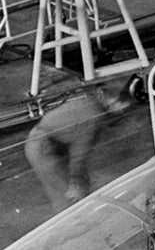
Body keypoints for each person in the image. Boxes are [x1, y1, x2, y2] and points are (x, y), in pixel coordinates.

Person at [23, 80, 128, 212]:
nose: (122, 111)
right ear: (111, 102)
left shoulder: (91, 102)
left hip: (48, 141)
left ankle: (85, 217)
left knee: (81, 186)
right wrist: (75, 183)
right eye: (121, 106)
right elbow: (79, 154)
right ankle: (75, 226)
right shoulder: (94, 116)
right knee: (67, 198)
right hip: (43, 148)